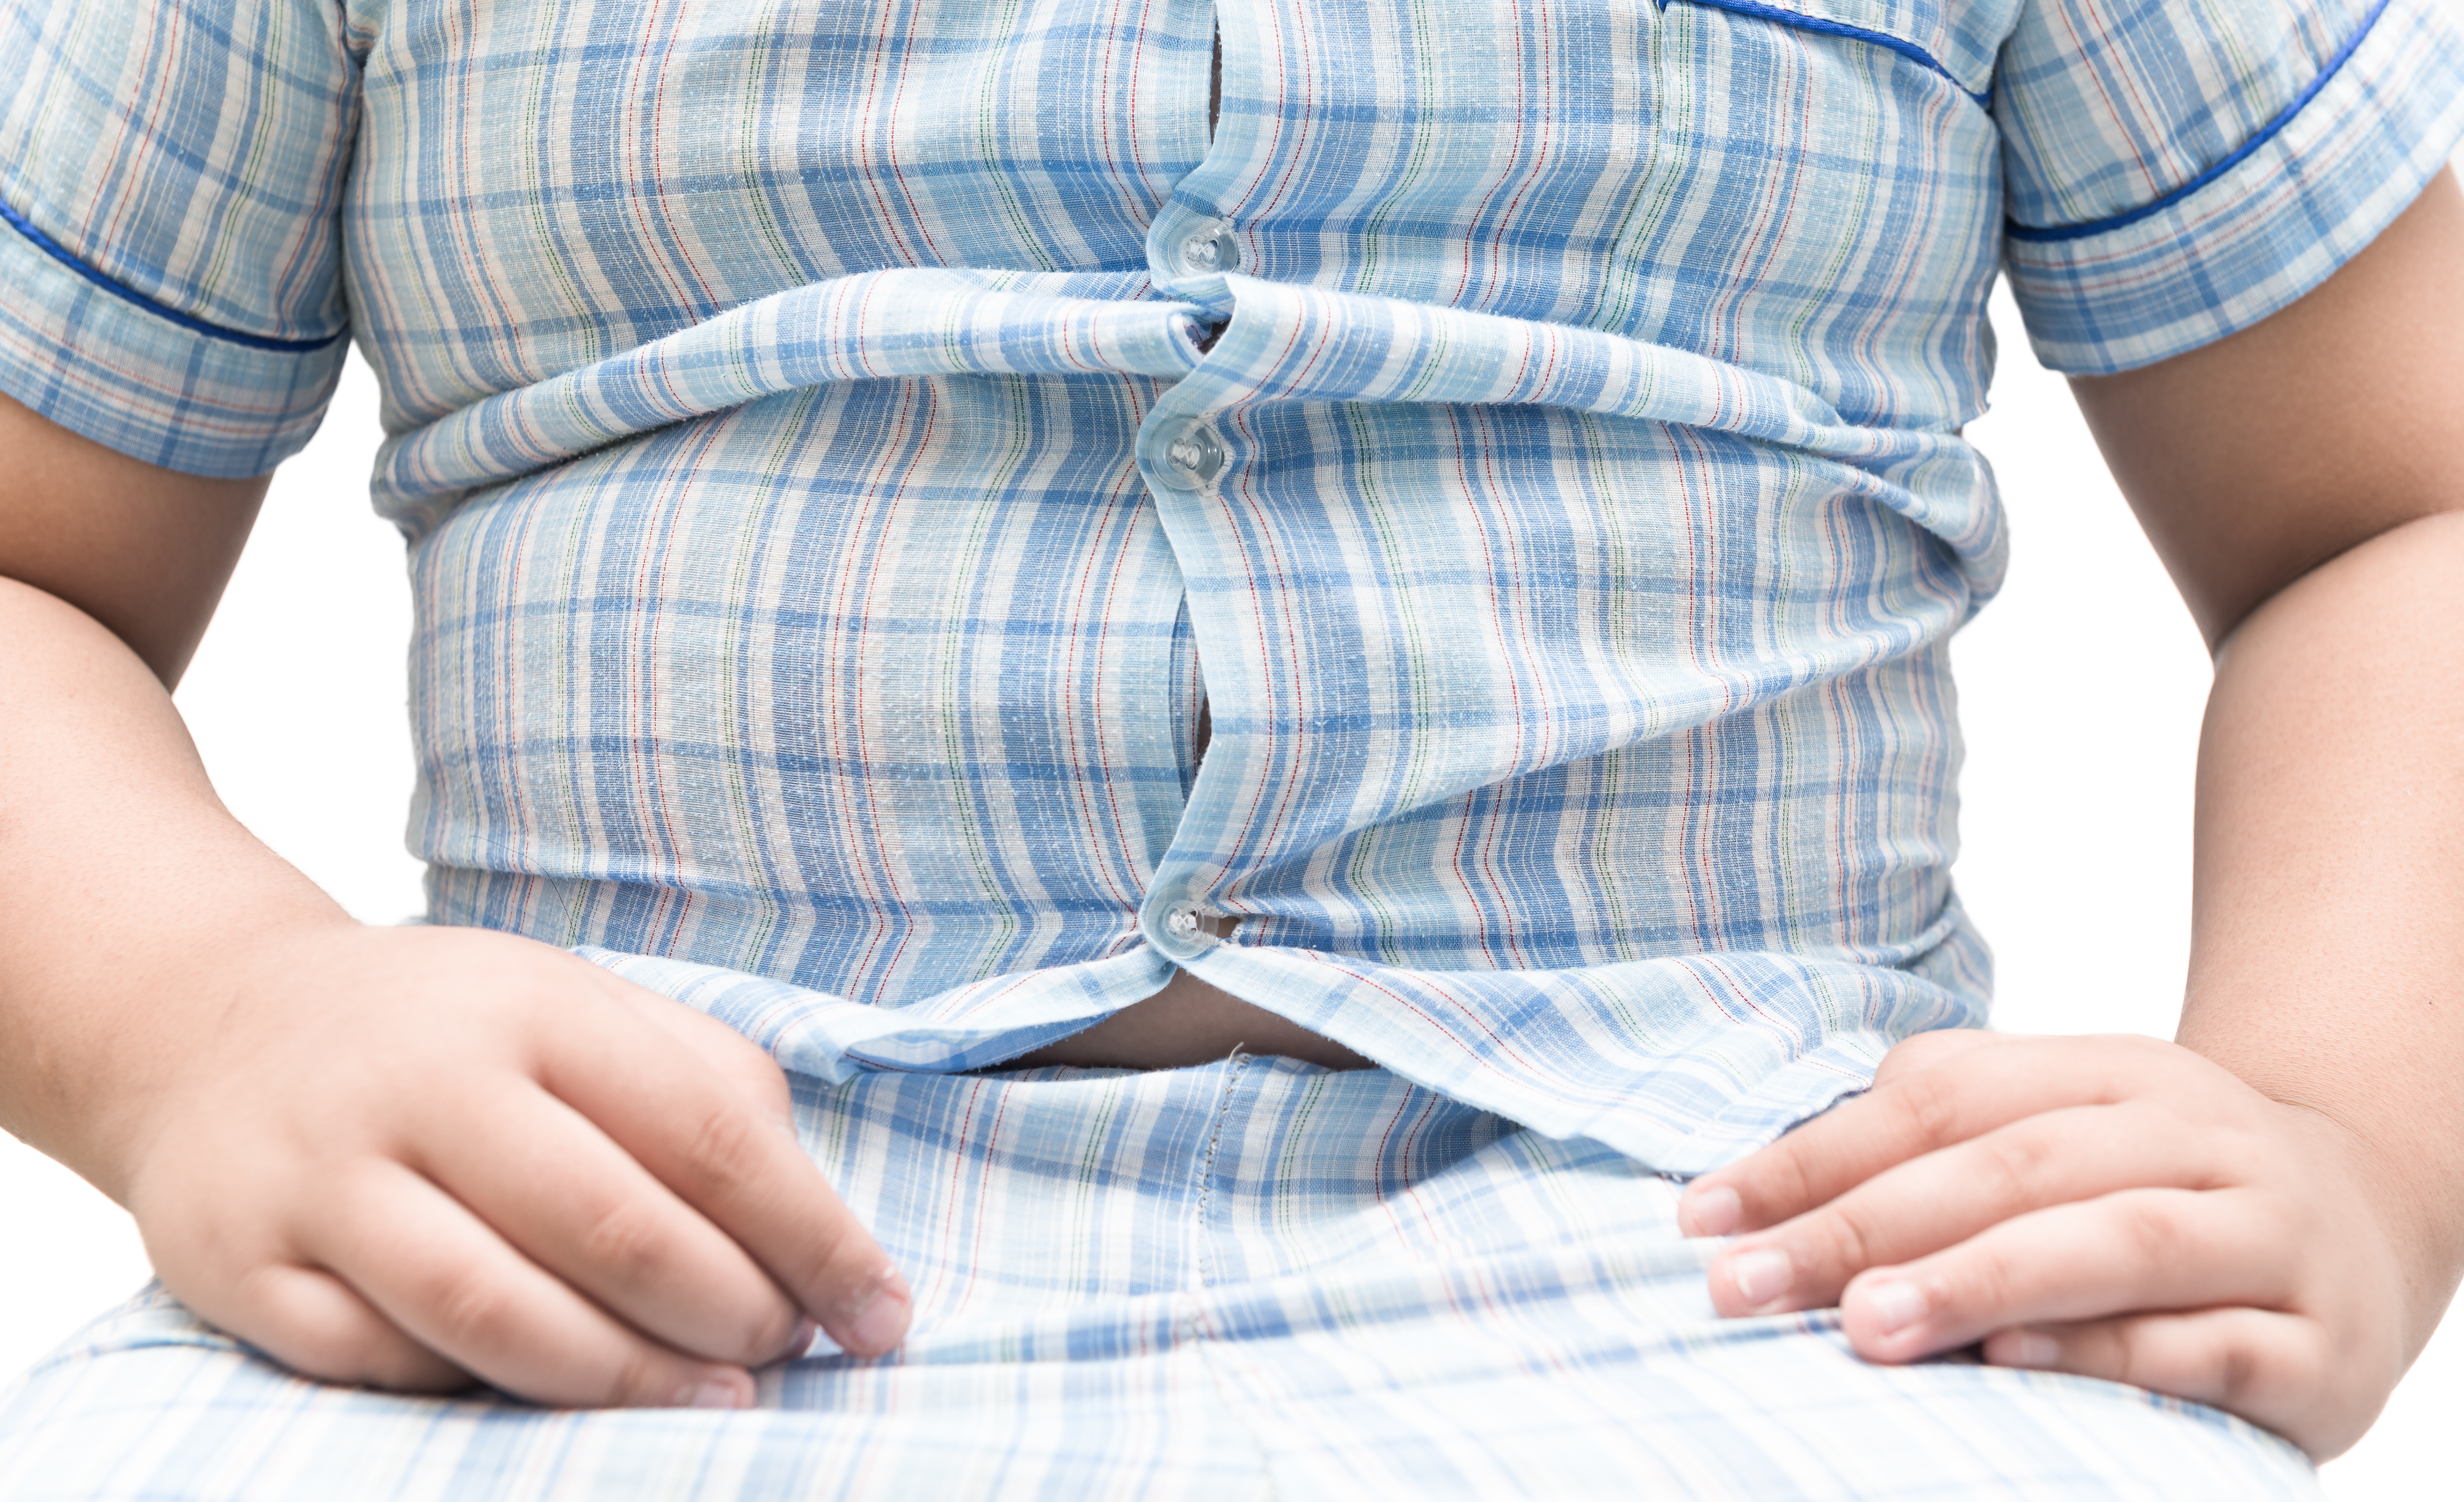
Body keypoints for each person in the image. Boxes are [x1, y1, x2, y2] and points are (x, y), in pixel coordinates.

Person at [0, 0, 2460, 1493]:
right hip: (583, 1289)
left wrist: (2355, 1141)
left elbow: (2399, 502)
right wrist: (206, 1020)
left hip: (1806, 1275)